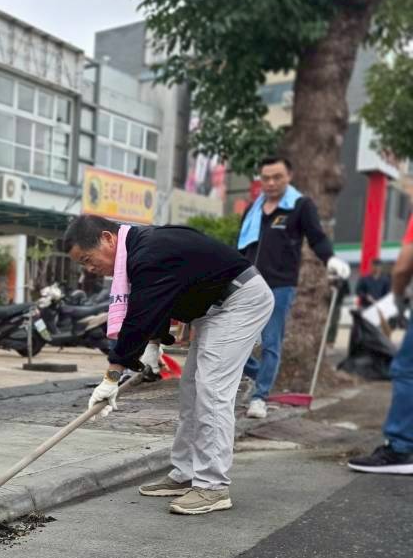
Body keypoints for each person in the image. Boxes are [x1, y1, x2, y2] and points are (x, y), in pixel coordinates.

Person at [64, 215, 274, 516]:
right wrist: (153, 346)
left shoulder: (147, 253)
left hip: (240, 301)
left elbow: (138, 319)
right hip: (214, 308)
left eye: (87, 259)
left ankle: (212, 487)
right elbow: (155, 304)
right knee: (191, 390)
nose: (89, 268)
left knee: (212, 391)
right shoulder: (140, 251)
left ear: (108, 239)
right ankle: (186, 473)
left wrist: (111, 378)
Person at [236, 155, 350, 418]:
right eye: (266, 178)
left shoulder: (299, 206)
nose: (271, 182)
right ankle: (257, 376)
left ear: (289, 177)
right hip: (247, 284)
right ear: (260, 179)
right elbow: (240, 248)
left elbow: (318, 238)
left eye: (277, 177)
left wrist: (330, 259)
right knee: (234, 342)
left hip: (279, 285)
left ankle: (260, 397)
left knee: (270, 343)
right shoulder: (252, 210)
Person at [348, 214, 413, 474]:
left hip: (385, 309)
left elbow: (403, 267)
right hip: (370, 310)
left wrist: (396, 298)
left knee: (407, 370)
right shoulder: (366, 279)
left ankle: (401, 448)